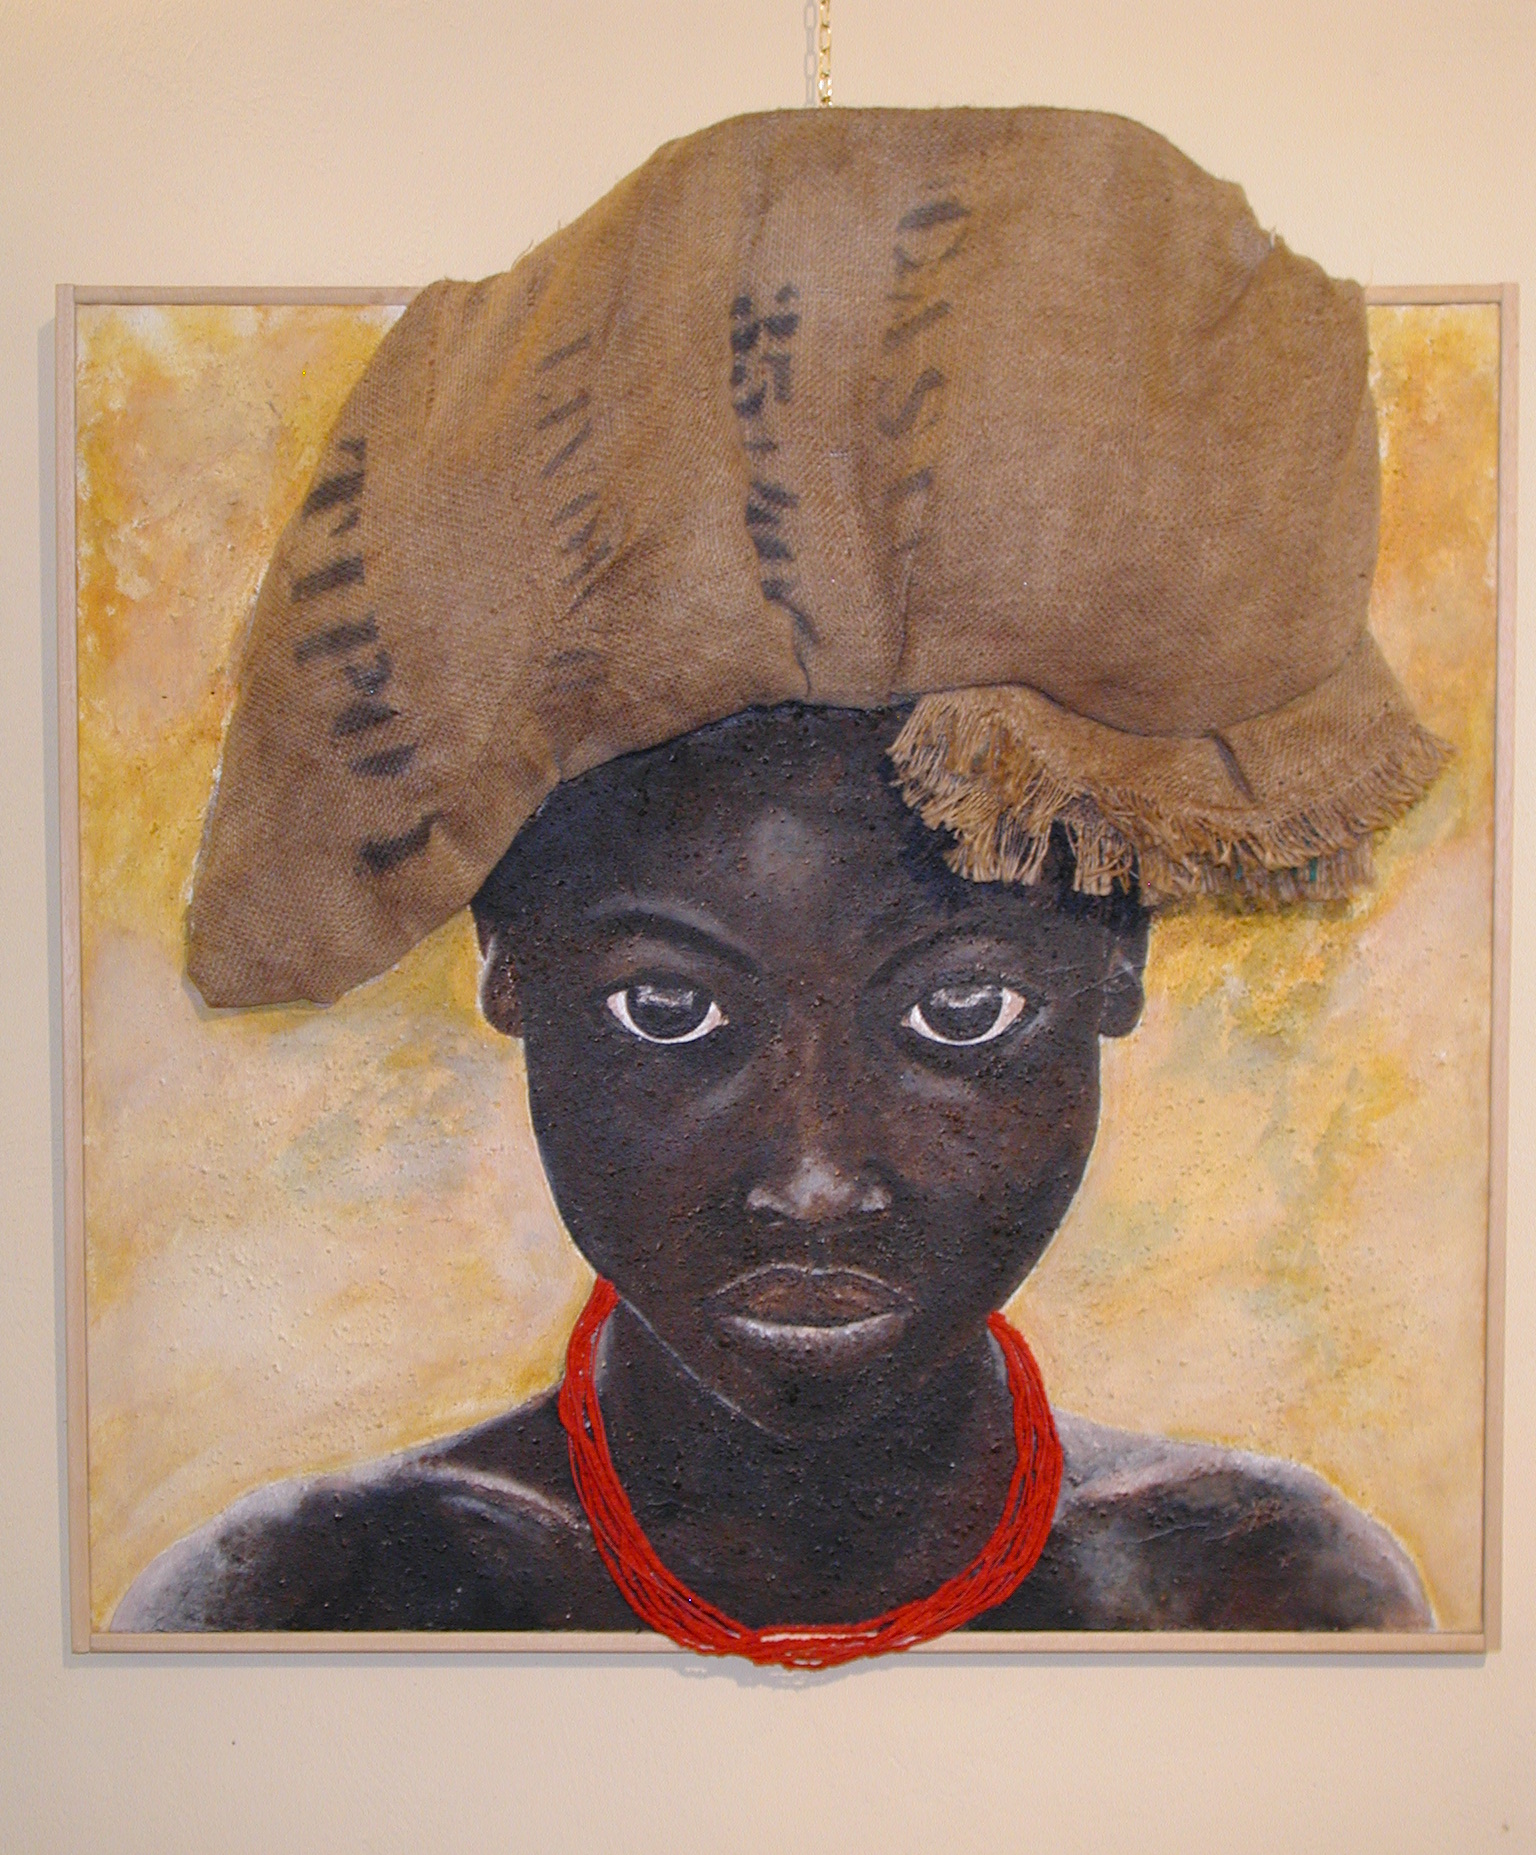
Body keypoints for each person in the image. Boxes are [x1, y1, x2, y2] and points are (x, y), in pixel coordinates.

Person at [113, 107, 1445, 1652]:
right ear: (509, 961)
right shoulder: (300, 1610)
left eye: (963, 1010)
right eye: (670, 1010)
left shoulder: (1266, 1595)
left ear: (1117, 963)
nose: (814, 1180)